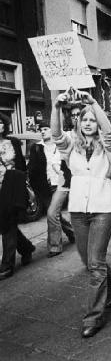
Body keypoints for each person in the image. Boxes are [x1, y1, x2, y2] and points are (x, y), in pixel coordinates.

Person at [51, 91, 111, 338]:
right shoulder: (71, 145)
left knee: (95, 264)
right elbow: (56, 135)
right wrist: (56, 106)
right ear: (78, 123)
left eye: (93, 119)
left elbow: (110, 133)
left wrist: (93, 103)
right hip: (78, 211)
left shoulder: (109, 147)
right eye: (85, 119)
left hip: (103, 209)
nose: (89, 123)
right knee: (89, 260)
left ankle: (93, 317)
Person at [27, 120, 75, 257]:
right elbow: (32, 168)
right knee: (54, 213)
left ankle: (55, 246)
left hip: (61, 184)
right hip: (44, 187)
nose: (42, 131)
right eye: (40, 129)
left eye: (46, 128)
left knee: (51, 214)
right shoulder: (36, 147)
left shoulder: (61, 144)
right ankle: (73, 233)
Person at [0, 113, 36, 280]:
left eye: (0, 123)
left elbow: (22, 165)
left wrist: (23, 187)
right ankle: (26, 248)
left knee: (8, 224)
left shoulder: (13, 141)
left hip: (12, 187)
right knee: (7, 224)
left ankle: (7, 265)